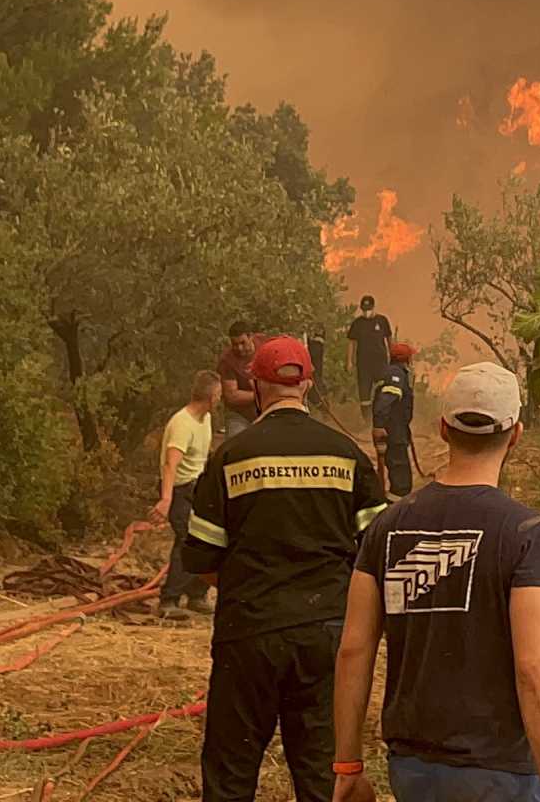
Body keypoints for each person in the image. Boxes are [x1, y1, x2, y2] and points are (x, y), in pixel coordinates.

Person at [332, 363, 540, 802]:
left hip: (412, 768)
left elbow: (354, 648)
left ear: (443, 429)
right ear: (515, 435)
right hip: (501, 773)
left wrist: (347, 766)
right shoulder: (528, 533)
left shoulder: (387, 527)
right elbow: (535, 668)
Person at [183, 336, 389, 802]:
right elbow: (376, 555)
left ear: (255, 385)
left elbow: (199, 558)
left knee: (231, 776)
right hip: (327, 639)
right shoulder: (346, 455)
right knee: (321, 773)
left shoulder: (230, 458)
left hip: (248, 635)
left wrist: (248, 589)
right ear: (308, 385)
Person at [153, 371, 220, 618]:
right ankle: (168, 600)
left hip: (197, 486)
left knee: (209, 537)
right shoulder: (182, 423)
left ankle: (196, 594)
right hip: (179, 489)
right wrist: (166, 498)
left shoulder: (206, 419)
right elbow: (171, 464)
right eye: (219, 395)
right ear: (212, 396)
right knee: (187, 541)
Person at [371, 341, 418, 496]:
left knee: (399, 472)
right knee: (401, 478)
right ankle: (397, 510)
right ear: (407, 360)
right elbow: (386, 399)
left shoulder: (393, 372)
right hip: (393, 431)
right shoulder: (396, 374)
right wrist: (379, 425)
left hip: (397, 430)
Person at [347, 296, 392, 419]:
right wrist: (349, 362)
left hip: (380, 362)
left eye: (368, 309)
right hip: (363, 364)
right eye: (364, 309)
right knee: (364, 394)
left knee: (383, 389)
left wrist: (393, 356)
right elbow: (351, 342)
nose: (366, 312)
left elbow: (389, 339)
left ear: (373, 307)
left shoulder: (382, 320)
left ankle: (382, 417)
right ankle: (366, 421)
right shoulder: (357, 323)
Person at [215, 321, 262, 441]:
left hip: (266, 411)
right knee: (234, 445)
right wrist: (261, 393)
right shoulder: (227, 361)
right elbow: (232, 396)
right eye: (235, 344)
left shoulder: (266, 346)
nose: (239, 348)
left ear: (251, 336)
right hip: (239, 415)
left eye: (243, 343)